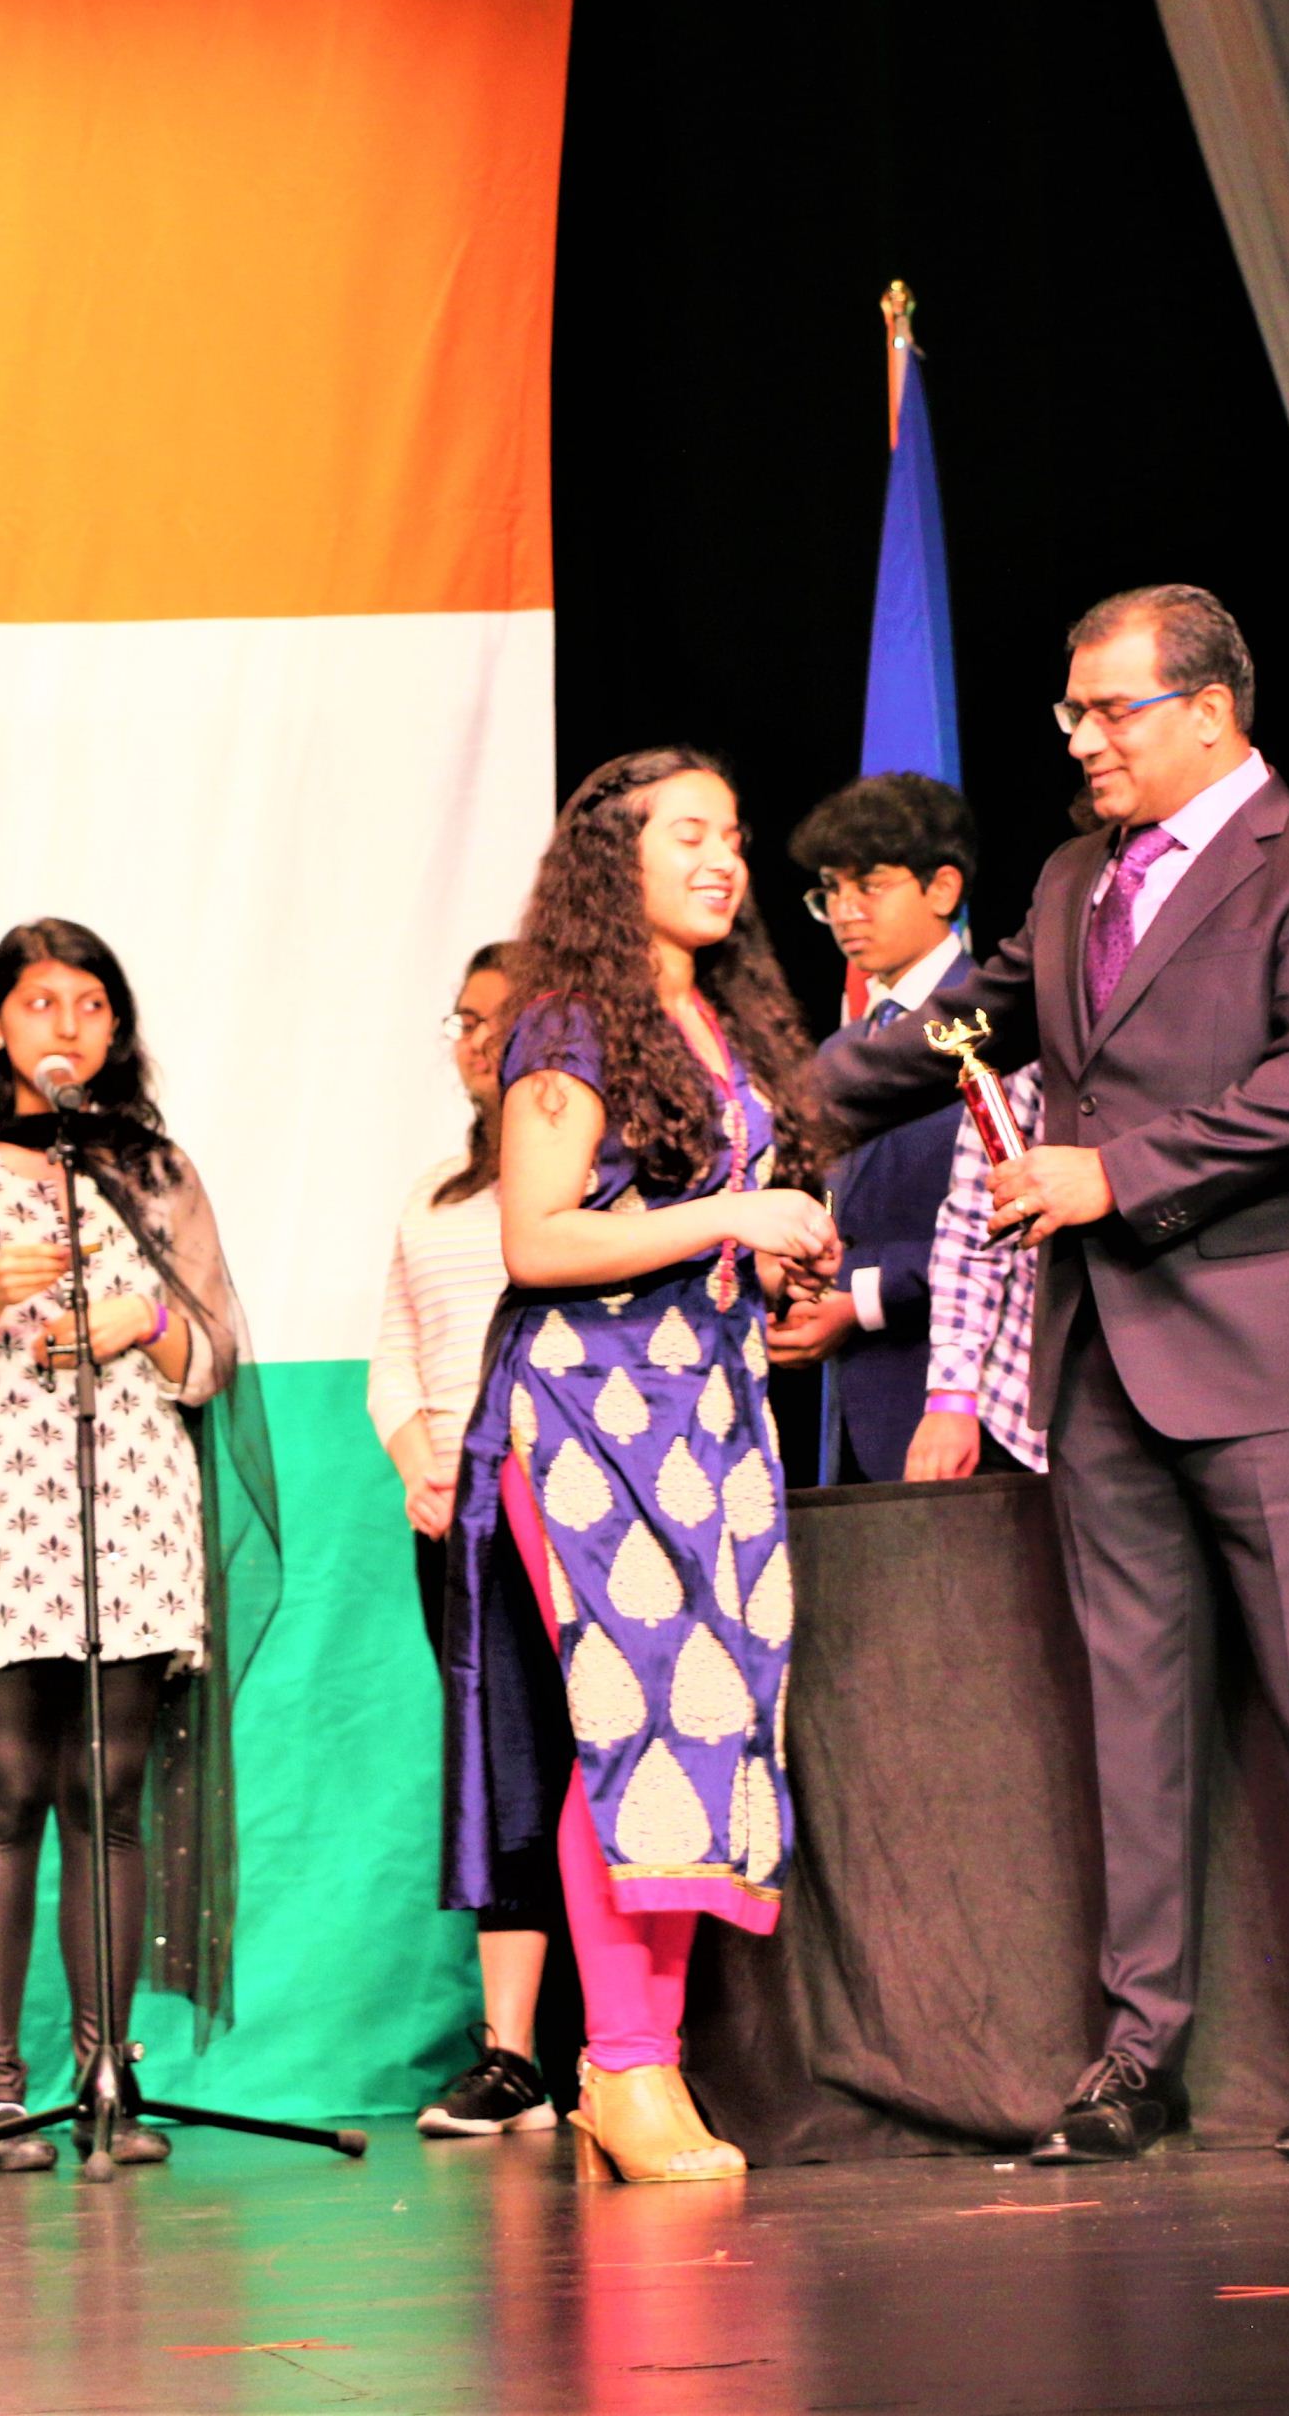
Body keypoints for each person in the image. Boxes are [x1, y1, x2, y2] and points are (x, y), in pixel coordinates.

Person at [817, 584, 1289, 2162]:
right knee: (1132, 1718)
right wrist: (761, 1101)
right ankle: (1136, 2057)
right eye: (1071, 713)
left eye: (1109, 710)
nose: (1081, 740)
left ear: (1210, 713)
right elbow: (954, 1030)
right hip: (1098, 1353)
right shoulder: (1069, 879)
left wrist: (1114, 1175)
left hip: (1269, 1346)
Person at [440, 748, 841, 2183]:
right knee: (634, 1721)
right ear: (615, 860)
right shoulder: (566, 1024)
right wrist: (735, 1212)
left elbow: (692, 1215)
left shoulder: (720, 1020)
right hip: (589, 1414)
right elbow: (538, 1237)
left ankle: (635, 2066)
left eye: (732, 834)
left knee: (706, 1723)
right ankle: (625, 2063)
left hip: (713, 1408)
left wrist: (780, 1265)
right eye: (688, 834)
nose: (723, 858)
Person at [0, 920, 274, 2173]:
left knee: (109, 1790)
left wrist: (141, 1317)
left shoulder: (155, 1172)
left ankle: (108, 2080)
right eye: (41, 1001)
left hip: (133, 1500)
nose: (67, 1023)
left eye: (91, 1002)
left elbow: (210, 1361)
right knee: (2, 1785)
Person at [906, 1062, 1289, 1476]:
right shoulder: (1043, 1040)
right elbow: (975, 1224)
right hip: (1049, 1421)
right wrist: (952, 1396)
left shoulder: (1271, 1042)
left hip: (1242, 1408)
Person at [370, 940, 565, 2137]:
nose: (476, 1041)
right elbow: (395, 1353)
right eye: (464, 1018)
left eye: (501, 1018)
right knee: (500, 1768)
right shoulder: (437, 1188)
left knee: (588, 1761)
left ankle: (621, 2044)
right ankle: (511, 2056)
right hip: (456, 1514)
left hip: (560, 1498)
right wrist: (421, 1464)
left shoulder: (584, 1179)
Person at [769, 773, 977, 1480]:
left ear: (942, 889)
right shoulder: (839, 1049)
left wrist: (857, 1300)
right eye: (831, 890)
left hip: (963, 1408)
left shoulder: (997, 1023)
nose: (845, 911)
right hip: (851, 1413)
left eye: (871, 885)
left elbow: (1008, 1230)